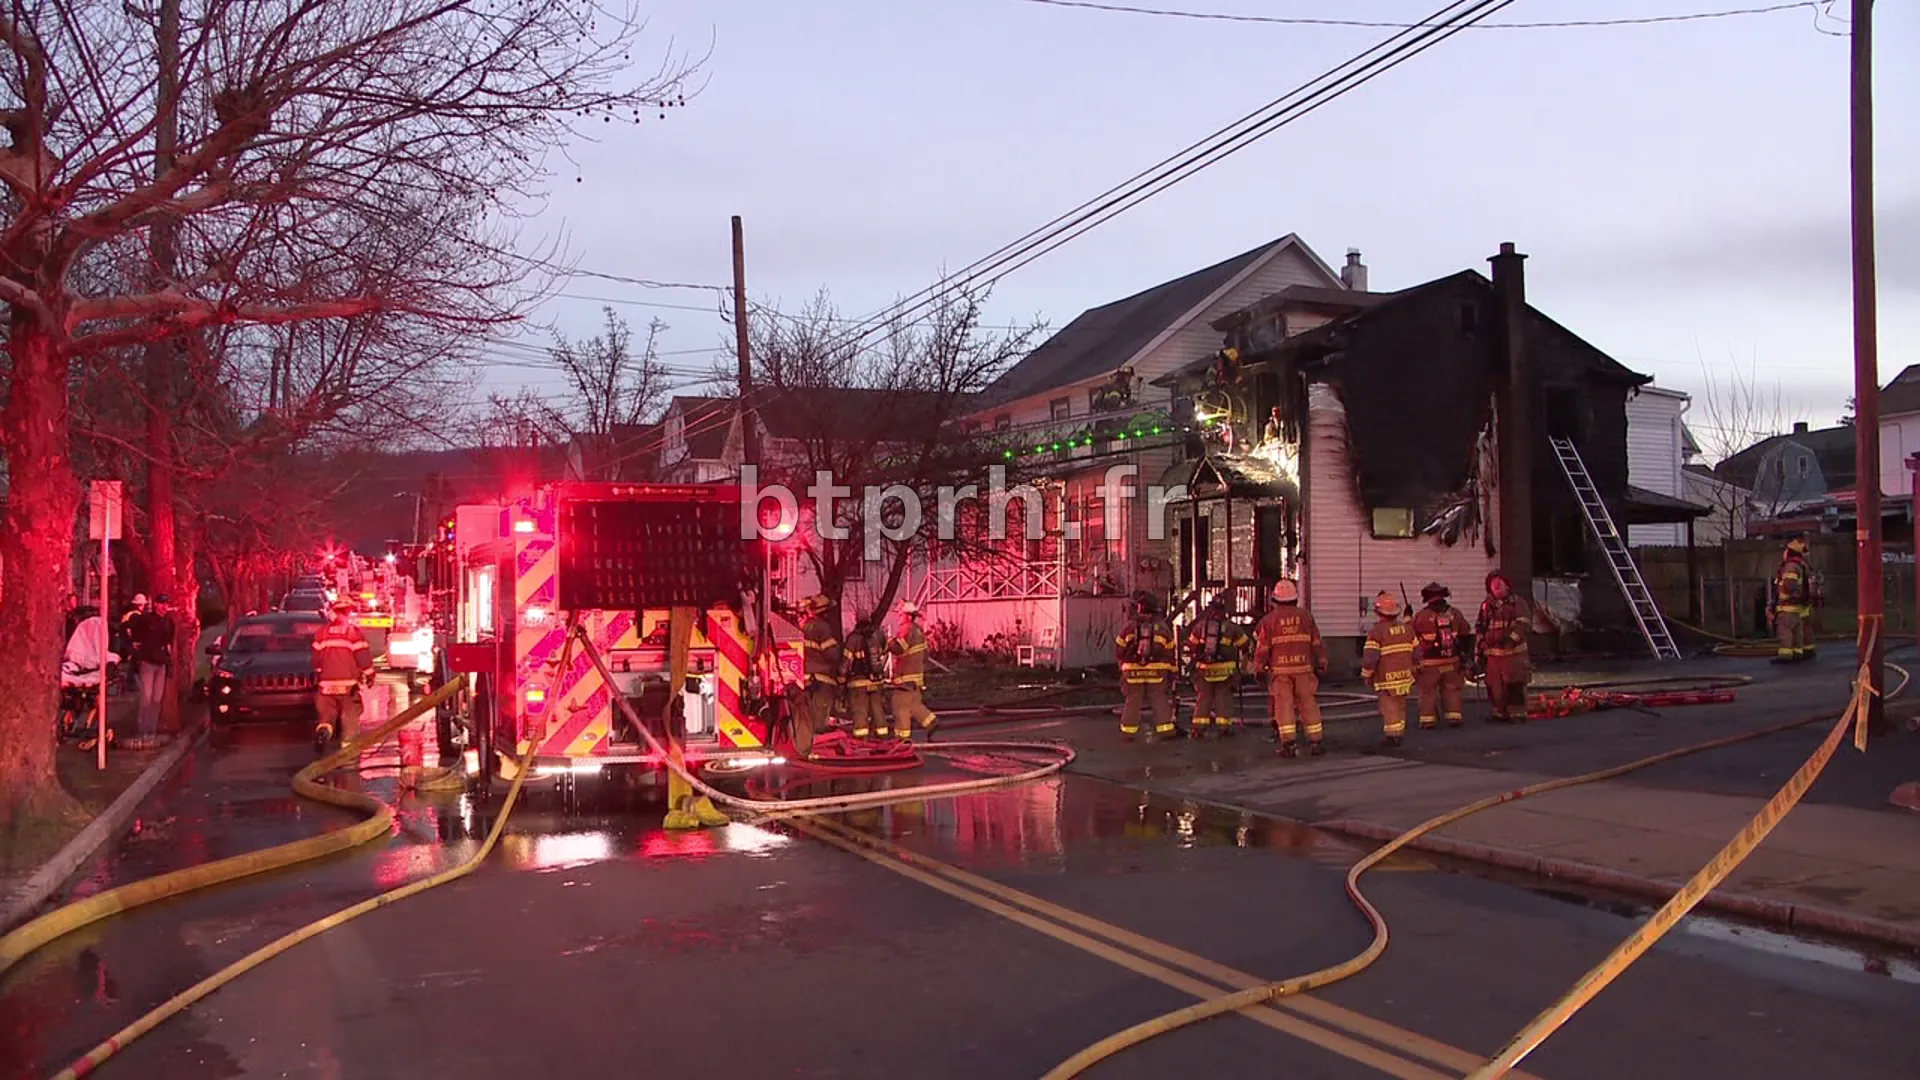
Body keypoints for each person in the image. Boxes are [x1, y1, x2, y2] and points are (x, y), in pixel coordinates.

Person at [1254, 579, 1327, 757]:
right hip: (1304, 668)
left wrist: (1258, 668)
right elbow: (1317, 643)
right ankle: (1316, 741)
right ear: (1295, 598)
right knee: (1308, 703)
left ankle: (1289, 744)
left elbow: (1262, 649)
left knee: (1284, 706)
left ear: (1275, 599)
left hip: (1280, 672)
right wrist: (1322, 661)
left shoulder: (1268, 621)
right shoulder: (1306, 617)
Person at [312, 599, 375, 753]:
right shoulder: (352, 632)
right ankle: (348, 750)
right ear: (348, 612)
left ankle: (323, 733)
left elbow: (316, 659)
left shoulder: (322, 633)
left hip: (326, 685)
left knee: (326, 716)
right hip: (348, 686)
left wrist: (319, 674)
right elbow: (362, 657)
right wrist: (370, 674)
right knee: (350, 717)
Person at [1115, 592, 1177, 742]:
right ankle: (1166, 730)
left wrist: (1123, 665)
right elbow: (1170, 650)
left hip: (1132, 670)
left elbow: (1119, 648)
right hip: (1157, 670)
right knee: (1159, 698)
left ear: (1140, 608)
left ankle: (1128, 733)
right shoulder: (1162, 627)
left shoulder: (1130, 626)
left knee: (1133, 700)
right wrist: (1172, 672)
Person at [1185, 594, 1250, 738]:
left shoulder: (1200, 626)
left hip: (1204, 670)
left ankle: (1198, 728)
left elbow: (1191, 646)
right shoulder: (1232, 627)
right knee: (1223, 698)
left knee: (1203, 698)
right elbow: (1245, 645)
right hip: (1225, 671)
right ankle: (1223, 728)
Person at [1411, 582, 1472, 730]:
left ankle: (1427, 720)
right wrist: (1465, 656)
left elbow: (1410, 634)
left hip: (1430, 663)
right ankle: (1454, 716)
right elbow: (1466, 632)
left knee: (1427, 691)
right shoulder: (1455, 614)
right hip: (1452, 660)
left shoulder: (1422, 616)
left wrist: (1407, 618)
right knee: (1451, 689)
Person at [1360, 591, 1416, 750]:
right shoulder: (1407, 629)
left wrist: (1366, 674)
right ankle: (1399, 731)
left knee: (1389, 706)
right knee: (1400, 705)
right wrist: (1417, 668)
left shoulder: (1377, 632)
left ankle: (1393, 736)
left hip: (1386, 678)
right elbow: (1417, 652)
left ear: (1379, 612)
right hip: (1405, 677)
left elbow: (1370, 657)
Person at [1475, 570, 1533, 723]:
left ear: (1507, 586)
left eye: (1500, 584)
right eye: (1493, 586)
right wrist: (1481, 644)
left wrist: (1511, 639)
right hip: (1493, 656)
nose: (1497, 588)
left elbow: (1524, 624)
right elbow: (1480, 627)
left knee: (1514, 685)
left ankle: (1517, 714)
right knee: (1495, 687)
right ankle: (1499, 713)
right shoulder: (1486, 606)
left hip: (1514, 654)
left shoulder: (1517, 603)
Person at [128, 594, 177, 747]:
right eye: (161, 604)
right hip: (148, 661)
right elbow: (134, 634)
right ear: (156, 604)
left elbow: (169, 641)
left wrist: (168, 659)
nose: (164, 607)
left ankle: (152, 731)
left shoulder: (168, 621)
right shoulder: (146, 619)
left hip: (161, 663)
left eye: (166, 604)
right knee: (146, 697)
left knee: (156, 699)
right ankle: (142, 730)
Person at [886, 601, 938, 740]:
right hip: (916, 678)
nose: (898, 617)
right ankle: (931, 721)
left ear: (908, 616)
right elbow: (925, 655)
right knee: (914, 704)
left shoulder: (906, 629)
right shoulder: (918, 630)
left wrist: (888, 642)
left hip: (905, 677)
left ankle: (902, 738)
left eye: (900, 614)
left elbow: (899, 648)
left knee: (900, 705)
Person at [796, 594, 843, 742]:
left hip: (804, 678)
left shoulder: (801, 626)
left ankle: (804, 743)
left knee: (805, 715)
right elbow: (832, 654)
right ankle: (815, 745)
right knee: (819, 716)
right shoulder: (822, 627)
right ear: (824, 611)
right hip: (821, 679)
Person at [1769, 536, 1816, 663]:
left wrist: (1782, 598)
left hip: (1787, 606)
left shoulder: (1790, 566)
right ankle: (1797, 652)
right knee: (1798, 631)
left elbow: (1789, 585)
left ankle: (1786, 655)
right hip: (1798, 607)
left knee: (1785, 630)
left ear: (1789, 552)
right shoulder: (1803, 565)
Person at [843, 614, 887, 740]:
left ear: (856, 620)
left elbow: (846, 660)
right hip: (876, 681)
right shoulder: (878, 635)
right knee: (878, 709)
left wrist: (841, 676)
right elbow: (884, 652)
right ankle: (882, 736)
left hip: (858, 682)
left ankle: (861, 738)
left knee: (860, 711)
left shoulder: (853, 638)